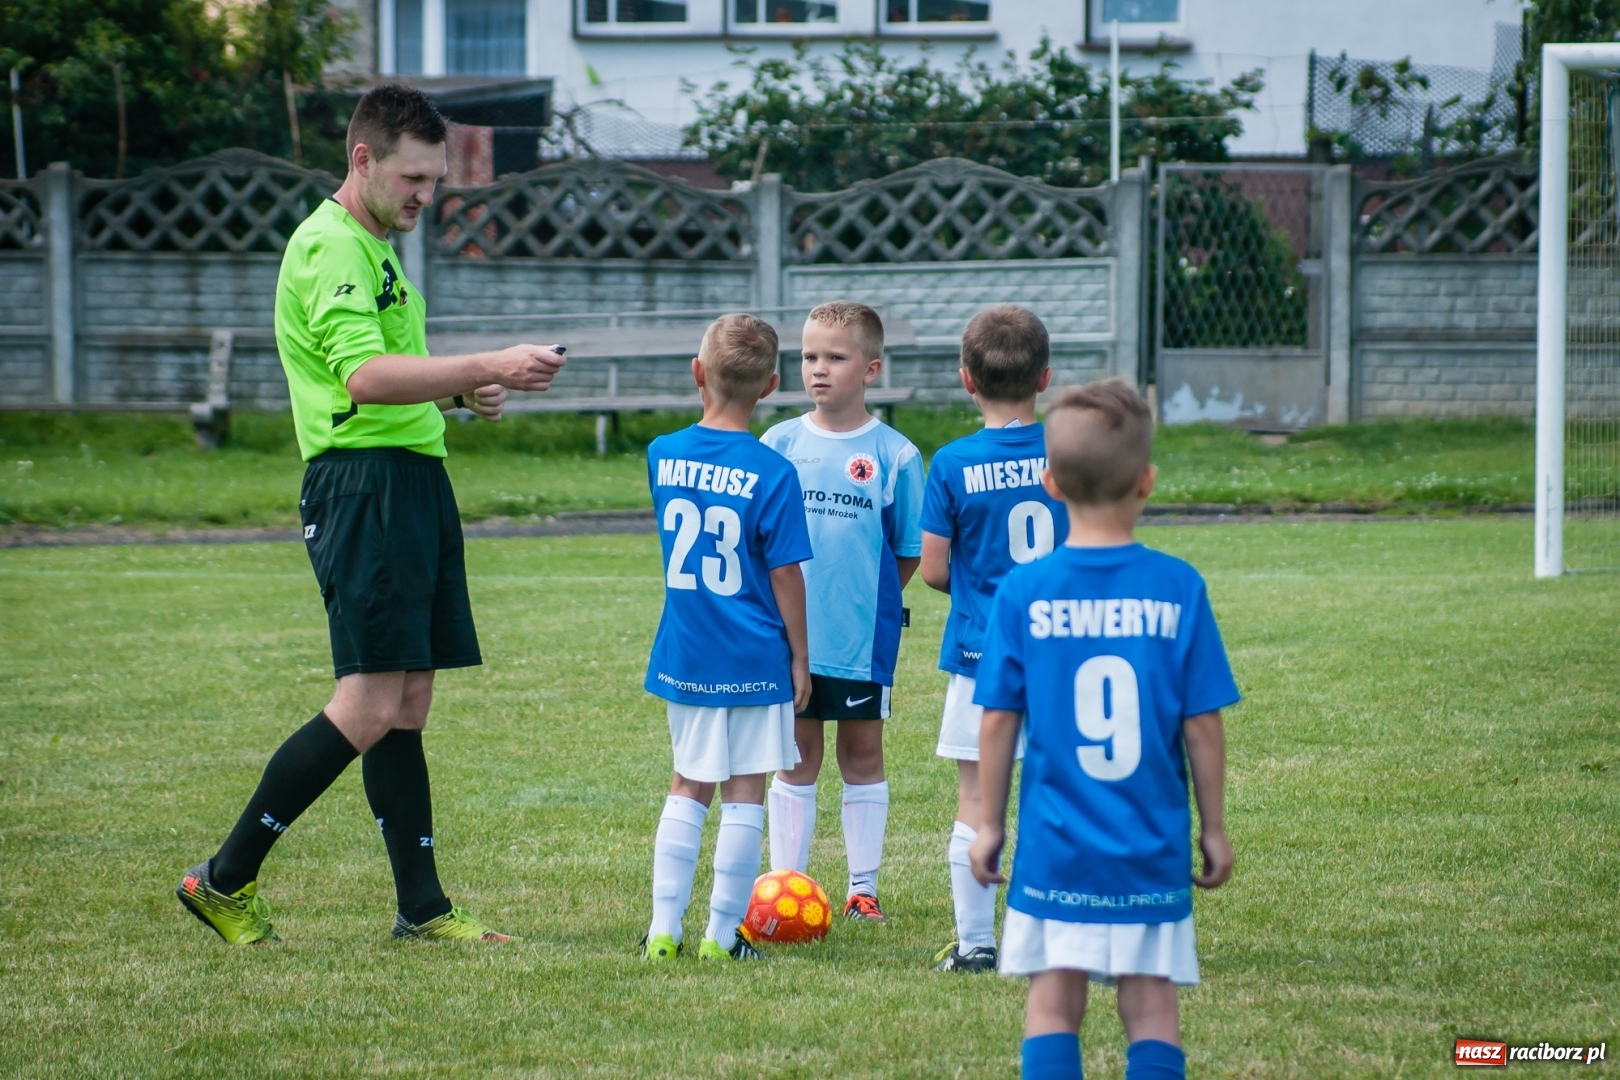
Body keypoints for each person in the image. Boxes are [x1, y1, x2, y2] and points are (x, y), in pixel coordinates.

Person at [176, 84, 566, 945]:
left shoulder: (375, 247)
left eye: (435, 180)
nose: (427, 195)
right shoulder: (332, 247)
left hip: (410, 478)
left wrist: (460, 394)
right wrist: (486, 361)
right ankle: (222, 878)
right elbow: (362, 378)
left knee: (408, 700)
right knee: (368, 700)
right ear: (364, 159)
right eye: (414, 177)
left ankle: (421, 909)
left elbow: (383, 377)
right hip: (364, 488)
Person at [969, 380, 1238, 1080]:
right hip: (1150, 845)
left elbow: (997, 719)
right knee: (1151, 1008)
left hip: (1056, 847)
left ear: (1051, 484)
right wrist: (1213, 828)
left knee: (1053, 1004)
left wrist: (989, 824)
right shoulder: (1178, 587)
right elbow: (1202, 724)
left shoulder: (1023, 592)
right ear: (1147, 481)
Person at [640, 313, 814, 963]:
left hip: (688, 649)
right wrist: (801, 657)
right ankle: (721, 937)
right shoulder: (773, 472)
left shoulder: (662, 454)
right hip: (753, 653)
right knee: (744, 793)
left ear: (697, 372)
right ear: (771, 385)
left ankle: (663, 931)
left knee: (687, 784)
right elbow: (786, 573)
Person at [760, 300, 924, 923]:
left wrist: (869, 601)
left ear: (871, 369)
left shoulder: (895, 454)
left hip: (859, 640)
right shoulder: (778, 444)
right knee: (796, 756)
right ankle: (787, 885)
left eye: (835, 357)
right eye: (808, 357)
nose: (818, 369)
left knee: (861, 756)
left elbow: (907, 549)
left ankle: (863, 890)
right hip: (789, 639)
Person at [918, 305, 1068, 974]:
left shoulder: (952, 462)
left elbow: (932, 570)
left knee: (978, 802)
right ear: (1045, 377)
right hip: (1063, 653)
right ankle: (1061, 941)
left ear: (966, 380)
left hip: (983, 656)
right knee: (1062, 797)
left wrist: (984, 589)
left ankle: (977, 945)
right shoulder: (1068, 453)